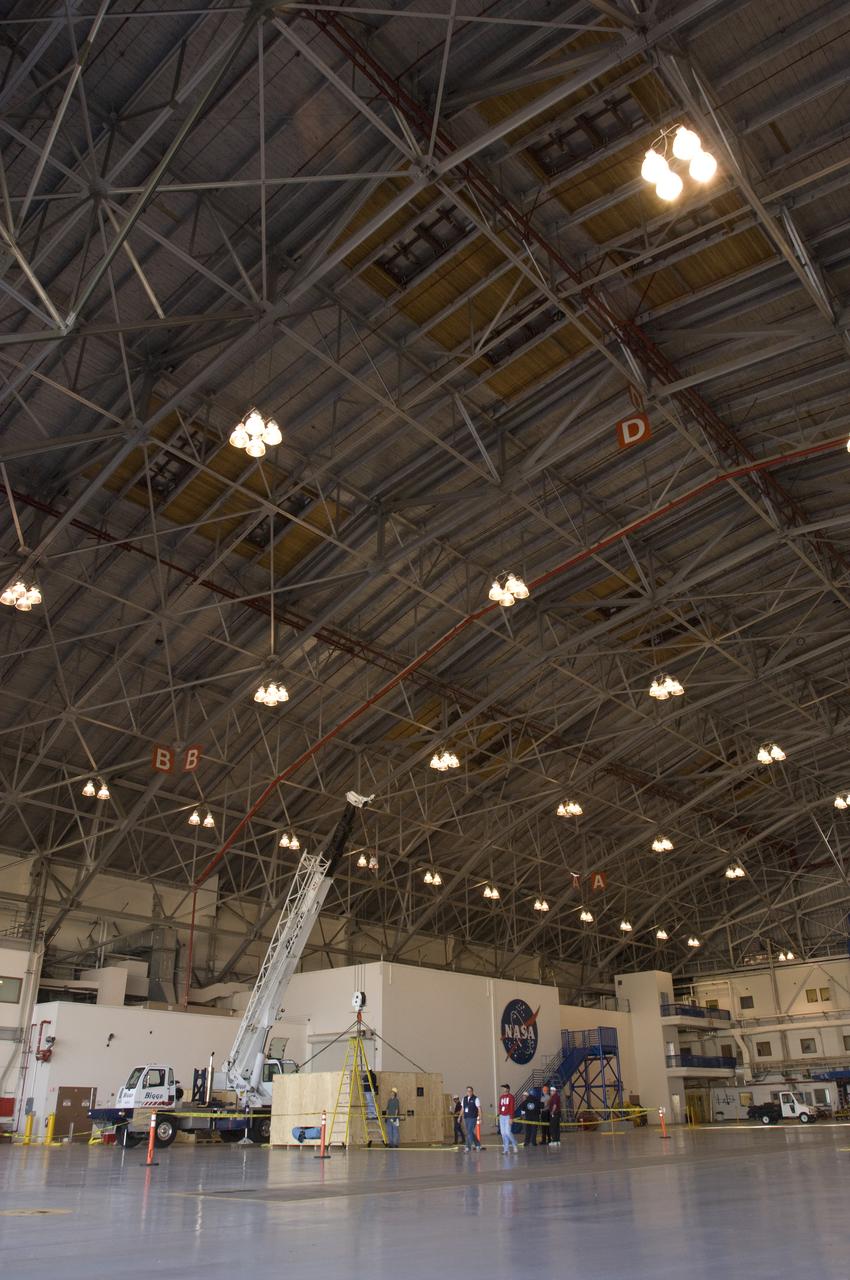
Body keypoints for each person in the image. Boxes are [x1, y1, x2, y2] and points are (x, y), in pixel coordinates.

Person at [497, 1083, 518, 1154]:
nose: (503, 1089)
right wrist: (499, 1114)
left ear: (508, 1089)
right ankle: (506, 1149)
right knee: (503, 1133)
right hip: (502, 1116)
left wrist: (511, 1118)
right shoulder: (501, 1097)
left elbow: (512, 1108)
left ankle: (514, 1144)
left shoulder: (511, 1097)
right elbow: (500, 1106)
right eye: (503, 1088)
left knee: (508, 1132)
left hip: (508, 1116)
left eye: (505, 1088)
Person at [461, 1086, 483, 1151]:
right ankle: (478, 1144)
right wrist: (460, 1116)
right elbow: (462, 1108)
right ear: (466, 1092)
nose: (469, 1092)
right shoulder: (464, 1099)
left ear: (472, 1091)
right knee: (470, 1132)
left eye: (470, 1091)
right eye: (468, 1091)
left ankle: (468, 1147)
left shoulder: (476, 1099)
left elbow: (479, 1109)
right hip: (466, 1118)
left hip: (473, 1118)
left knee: (469, 1132)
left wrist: (480, 1118)